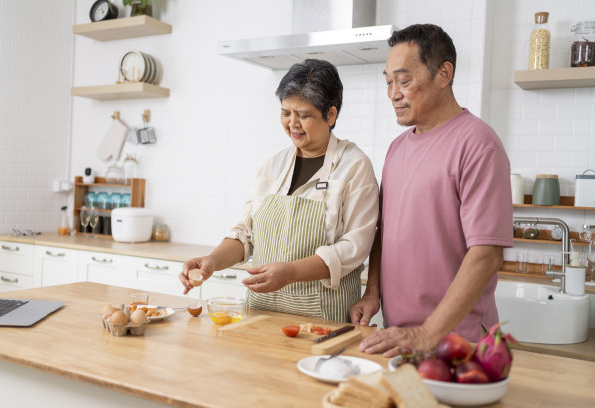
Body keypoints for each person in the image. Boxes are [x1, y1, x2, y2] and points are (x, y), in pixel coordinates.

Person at [350, 24, 513, 355]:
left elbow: (487, 254)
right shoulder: (397, 148)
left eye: (404, 81)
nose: (393, 93)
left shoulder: (479, 144)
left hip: (456, 339)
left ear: (444, 74)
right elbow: (385, 231)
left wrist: (426, 334)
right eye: (388, 82)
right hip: (401, 336)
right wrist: (372, 292)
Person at [180, 59, 379, 322]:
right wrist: (212, 261)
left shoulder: (354, 165)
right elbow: (245, 235)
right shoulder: (272, 166)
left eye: (304, 115)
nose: (292, 123)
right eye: (286, 113)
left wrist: (291, 273)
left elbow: (355, 248)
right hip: (260, 313)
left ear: (330, 115)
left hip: (322, 318)